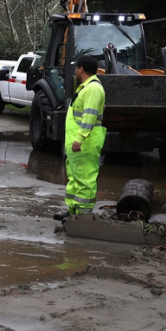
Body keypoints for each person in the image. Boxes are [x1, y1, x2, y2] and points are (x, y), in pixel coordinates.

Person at [54, 56, 106, 221]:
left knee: (85, 178)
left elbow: (89, 116)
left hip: (85, 142)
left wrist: (80, 138)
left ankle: (83, 216)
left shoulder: (93, 89)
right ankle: (73, 210)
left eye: (76, 68)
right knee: (75, 176)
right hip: (78, 142)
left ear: (81, 69)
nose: (75, 70)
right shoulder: (86, 87)